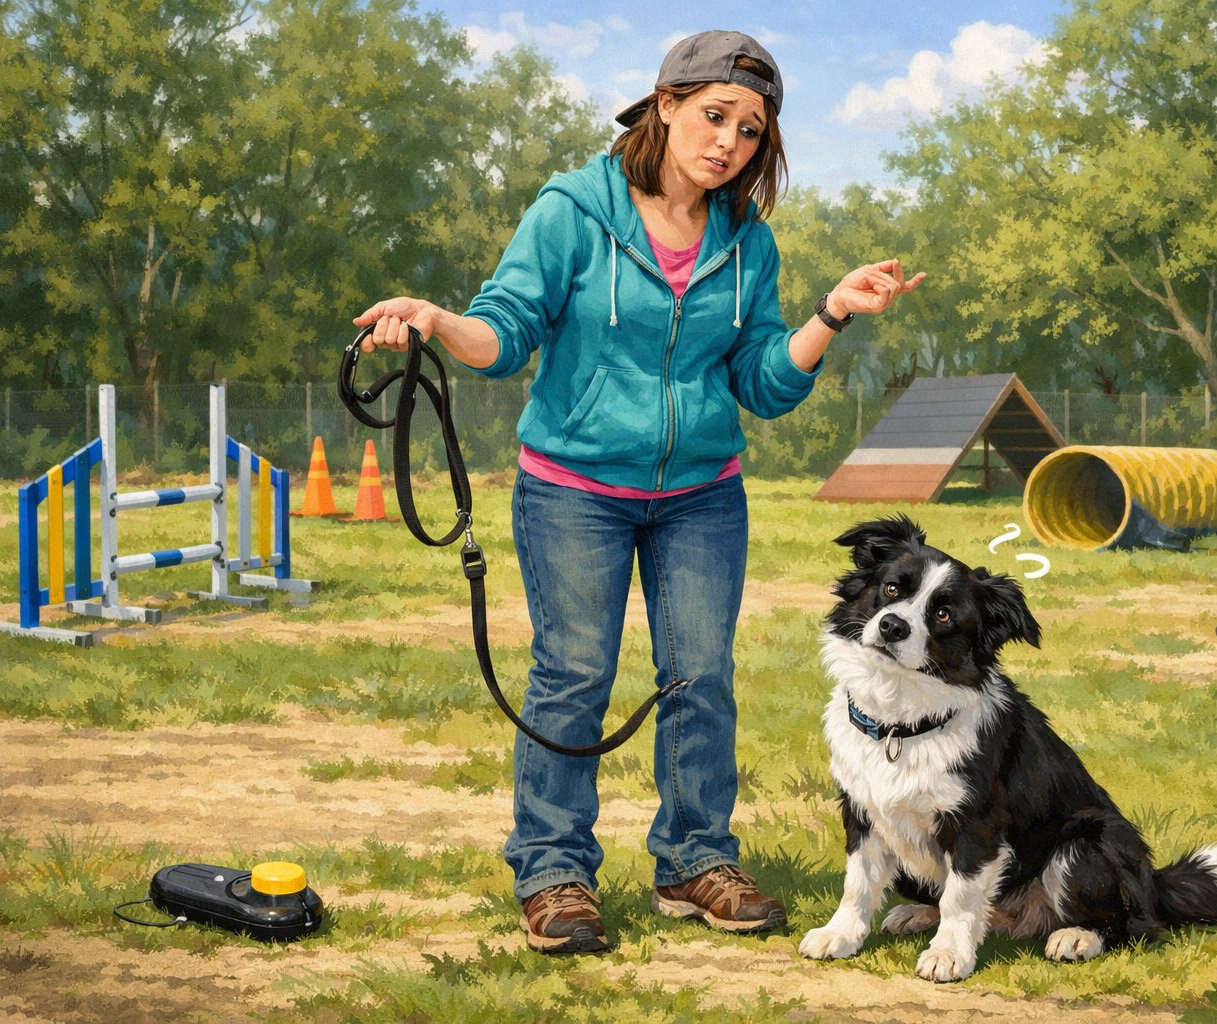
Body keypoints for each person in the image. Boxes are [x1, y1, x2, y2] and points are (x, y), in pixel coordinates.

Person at [352, 29, 922, 955]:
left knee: (701, 679)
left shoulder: (748, 243)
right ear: (664, 106)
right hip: (573, 486)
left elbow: (764, 383)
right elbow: (506, 333)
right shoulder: (572, 211)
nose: (730, 140)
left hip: (702, 492)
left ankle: (695, 860)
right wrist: (438, 320)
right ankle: (552, 872)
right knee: (572, 677)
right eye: (714, 116)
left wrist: (832, 313)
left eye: (750, 128)